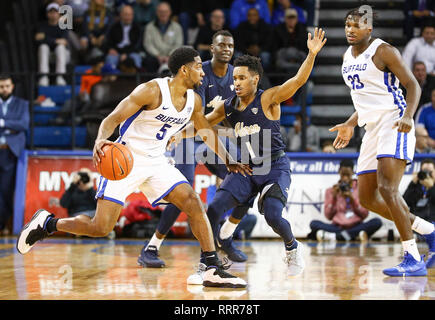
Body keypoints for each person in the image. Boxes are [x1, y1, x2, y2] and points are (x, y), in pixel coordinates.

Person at [16, 46, 251, 288]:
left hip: (157, 161)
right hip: (125, 160)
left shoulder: (195, 100)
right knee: (100, 227)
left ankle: (211, 267)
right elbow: (113, 119)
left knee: (192, 201)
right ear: (184, 69)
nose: (203, 72)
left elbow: (204, 130)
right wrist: (100, 140)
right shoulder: (151, 90)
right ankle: (48, 223)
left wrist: (227, 159)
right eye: (199, 66)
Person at [175, 27, 327, 280]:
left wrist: (311, 55)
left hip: (274, 167)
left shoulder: (269, 99)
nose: (236, 83)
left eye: (242, 78)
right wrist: (176, 133)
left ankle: (292, 247)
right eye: (234, 79)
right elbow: (203, 124)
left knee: (273, 215)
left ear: (255, 79)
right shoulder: (229, 106)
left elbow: (298, 81)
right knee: (212, 211)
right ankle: (208, 263)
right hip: (246, 168)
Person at [329, 6, 435, 276]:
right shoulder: (346, 56)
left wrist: (409, 116)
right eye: (347, 25)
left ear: (368, 29)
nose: (350, 30)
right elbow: (366, 98)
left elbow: (413, 85)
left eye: (356, 25)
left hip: (395, 121)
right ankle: (429, 230)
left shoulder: (384, 51)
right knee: (367, 198)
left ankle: (412, 258)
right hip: (371, 128)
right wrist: (350, 124)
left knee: (388, 189)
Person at [138, 30, 251, 269]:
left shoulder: (236, 76)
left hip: (213, 134)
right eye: (221, 45)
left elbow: (233, 117)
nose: (226, 49)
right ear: (212, 48)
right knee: (183, 192)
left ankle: (226, 235)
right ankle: (151, 247)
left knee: (247, 178)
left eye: (230, 46)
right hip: (189, 133)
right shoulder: (200, 73)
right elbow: (197, 118)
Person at [309, 159, 382, 242]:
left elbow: (364, 214)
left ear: (352, 173)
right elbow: (328, 216)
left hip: (356, 225)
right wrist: (333, 198)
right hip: (337, 227)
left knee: (377, 222)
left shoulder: (360, 189)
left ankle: (336, 236)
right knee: (314, 224)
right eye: (343, 175)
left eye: (348, 175)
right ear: (339, 172)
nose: (345, 178)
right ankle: (352, 236)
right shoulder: (331, 191)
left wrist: (352, 199)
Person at [0, 75, 29, 235]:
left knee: (5, 189)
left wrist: (3, 123)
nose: (4, 89)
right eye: (1, 86)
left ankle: (3, 224)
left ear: (12, 87)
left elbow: (23, 124)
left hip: (9, 151)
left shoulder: (22, 104)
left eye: (6, 86)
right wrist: (12, 127)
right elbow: (17, 125)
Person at [142, 2, 183, 73]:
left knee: (180, 60)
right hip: (155, 57)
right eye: (161, 11)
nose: (163, 14)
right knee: (148, 61)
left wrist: (169, 56)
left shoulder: (177, 27)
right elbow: (148, 44)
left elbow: (178, 44)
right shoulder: (149, 27)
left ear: (170, 12)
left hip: (172, 56)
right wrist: (158, 56)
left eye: (165, 11)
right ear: (157, 12)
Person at [36, 2, 71, 86]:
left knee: (60, 47)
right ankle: (43, 77)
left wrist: (46, 38)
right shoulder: (42, 25)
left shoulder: (64, 25)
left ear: (59, 14)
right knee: (43, 47)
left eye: (55, 12)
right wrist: (56, 40)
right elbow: (37, 38)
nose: (53, 14)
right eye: (50, 12)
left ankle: (60, 77)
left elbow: (64, 42)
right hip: (47, 55)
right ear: (47, 14)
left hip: (63, 55)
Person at [403, 159, 435, 238]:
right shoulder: (415, 185)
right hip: (417, 224)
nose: (427, 174)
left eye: (430, 172)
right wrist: (413, 183)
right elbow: (405, 202)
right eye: (424, 171)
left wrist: (432, 186)